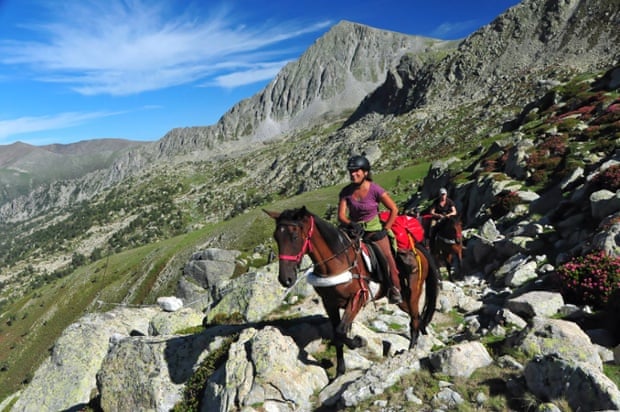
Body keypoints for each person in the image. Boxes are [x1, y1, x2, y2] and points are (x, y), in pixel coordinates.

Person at [338, 155, 403, 304]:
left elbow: (394, 209)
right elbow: (341, 215)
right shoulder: (346, 192)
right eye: (351, 171)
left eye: (356, 171)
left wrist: (385, 229)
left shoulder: (375, 190)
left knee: (387, 259)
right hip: (355, 231)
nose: (353, 174)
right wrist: (351, 223)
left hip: (375, 231)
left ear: (365, 172)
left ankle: (394, 289)